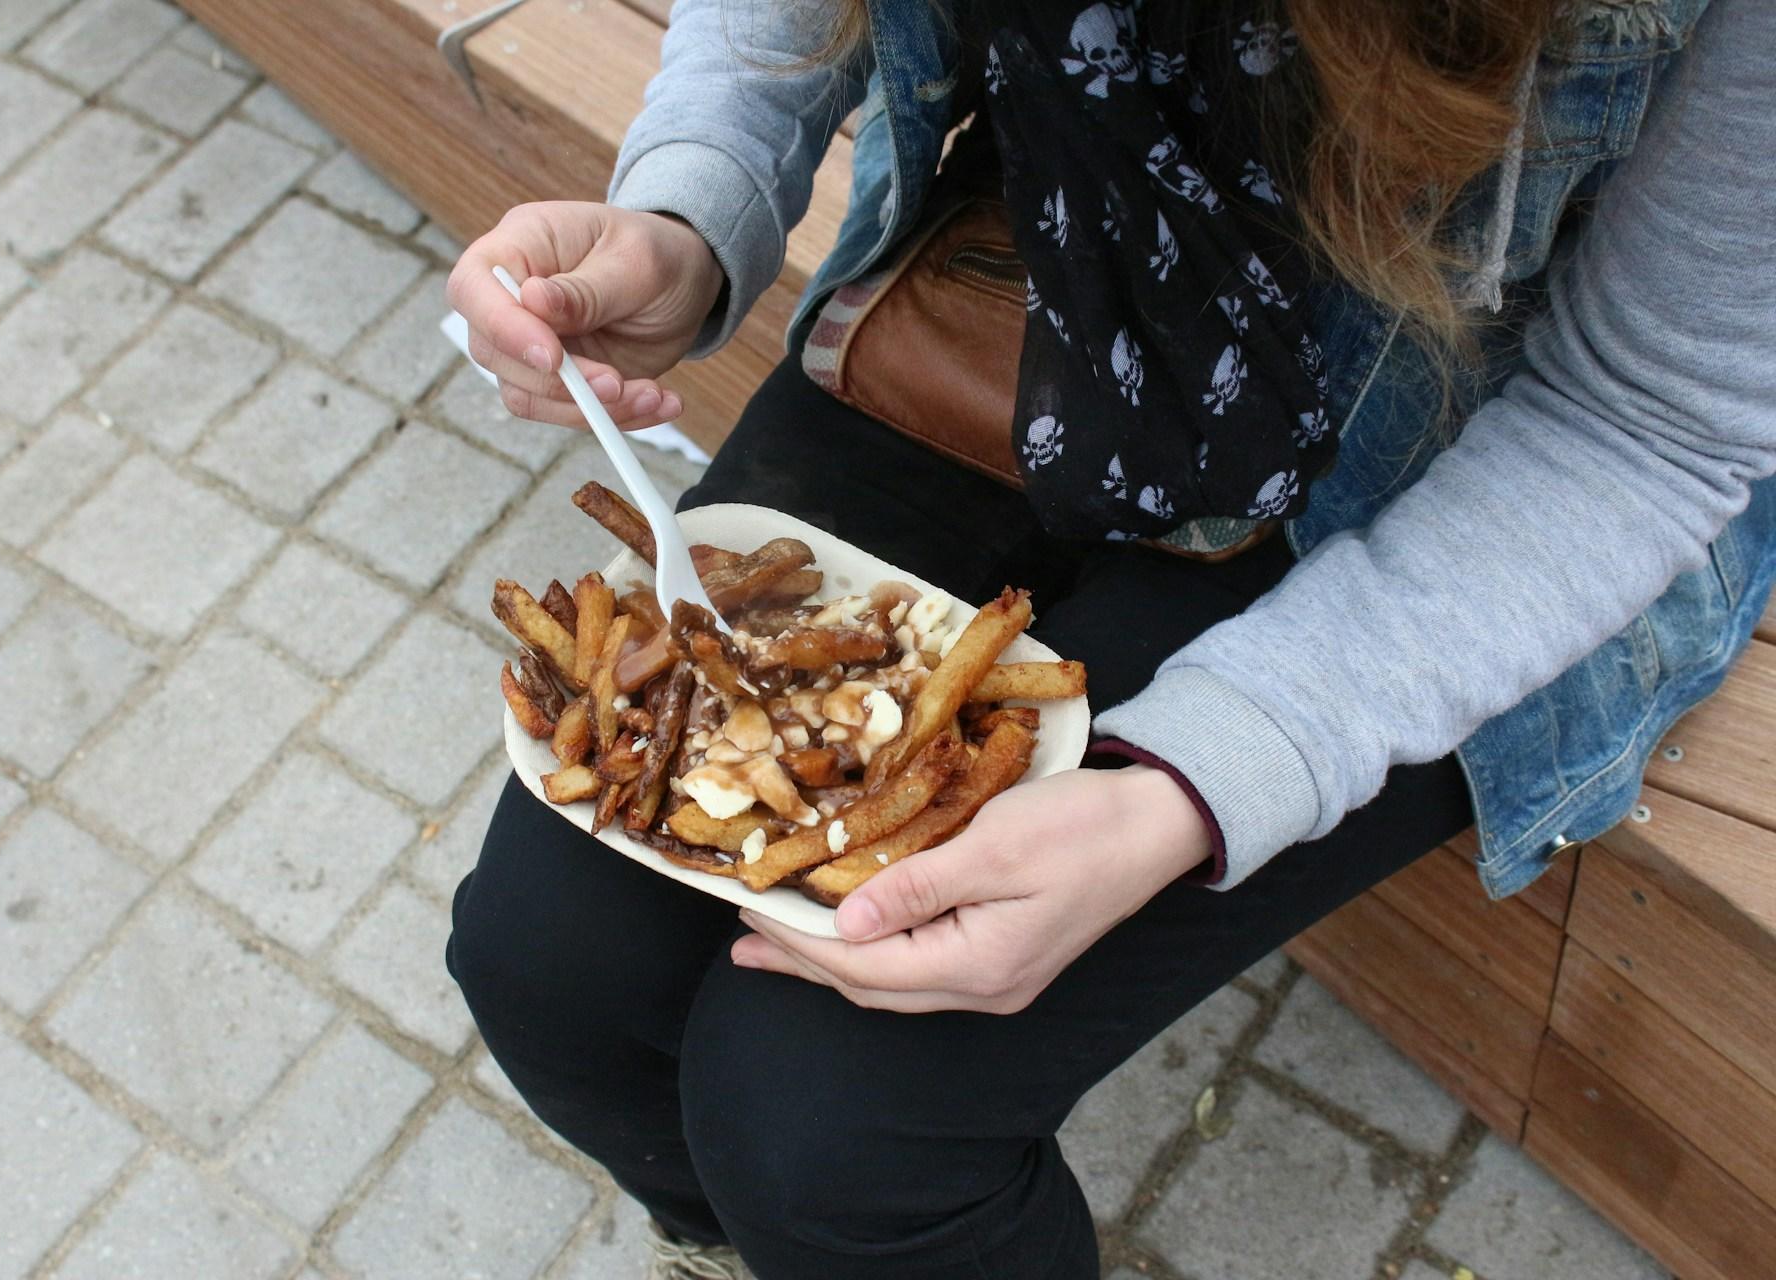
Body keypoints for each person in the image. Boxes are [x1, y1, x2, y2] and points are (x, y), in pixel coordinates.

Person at [445, 0, 1775, 1275]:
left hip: (1465, 447)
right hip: (1047, 254)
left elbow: (1653, 422)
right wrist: (689, 209)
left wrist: (1191, 788)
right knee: (548, 968)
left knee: (829, 1123)